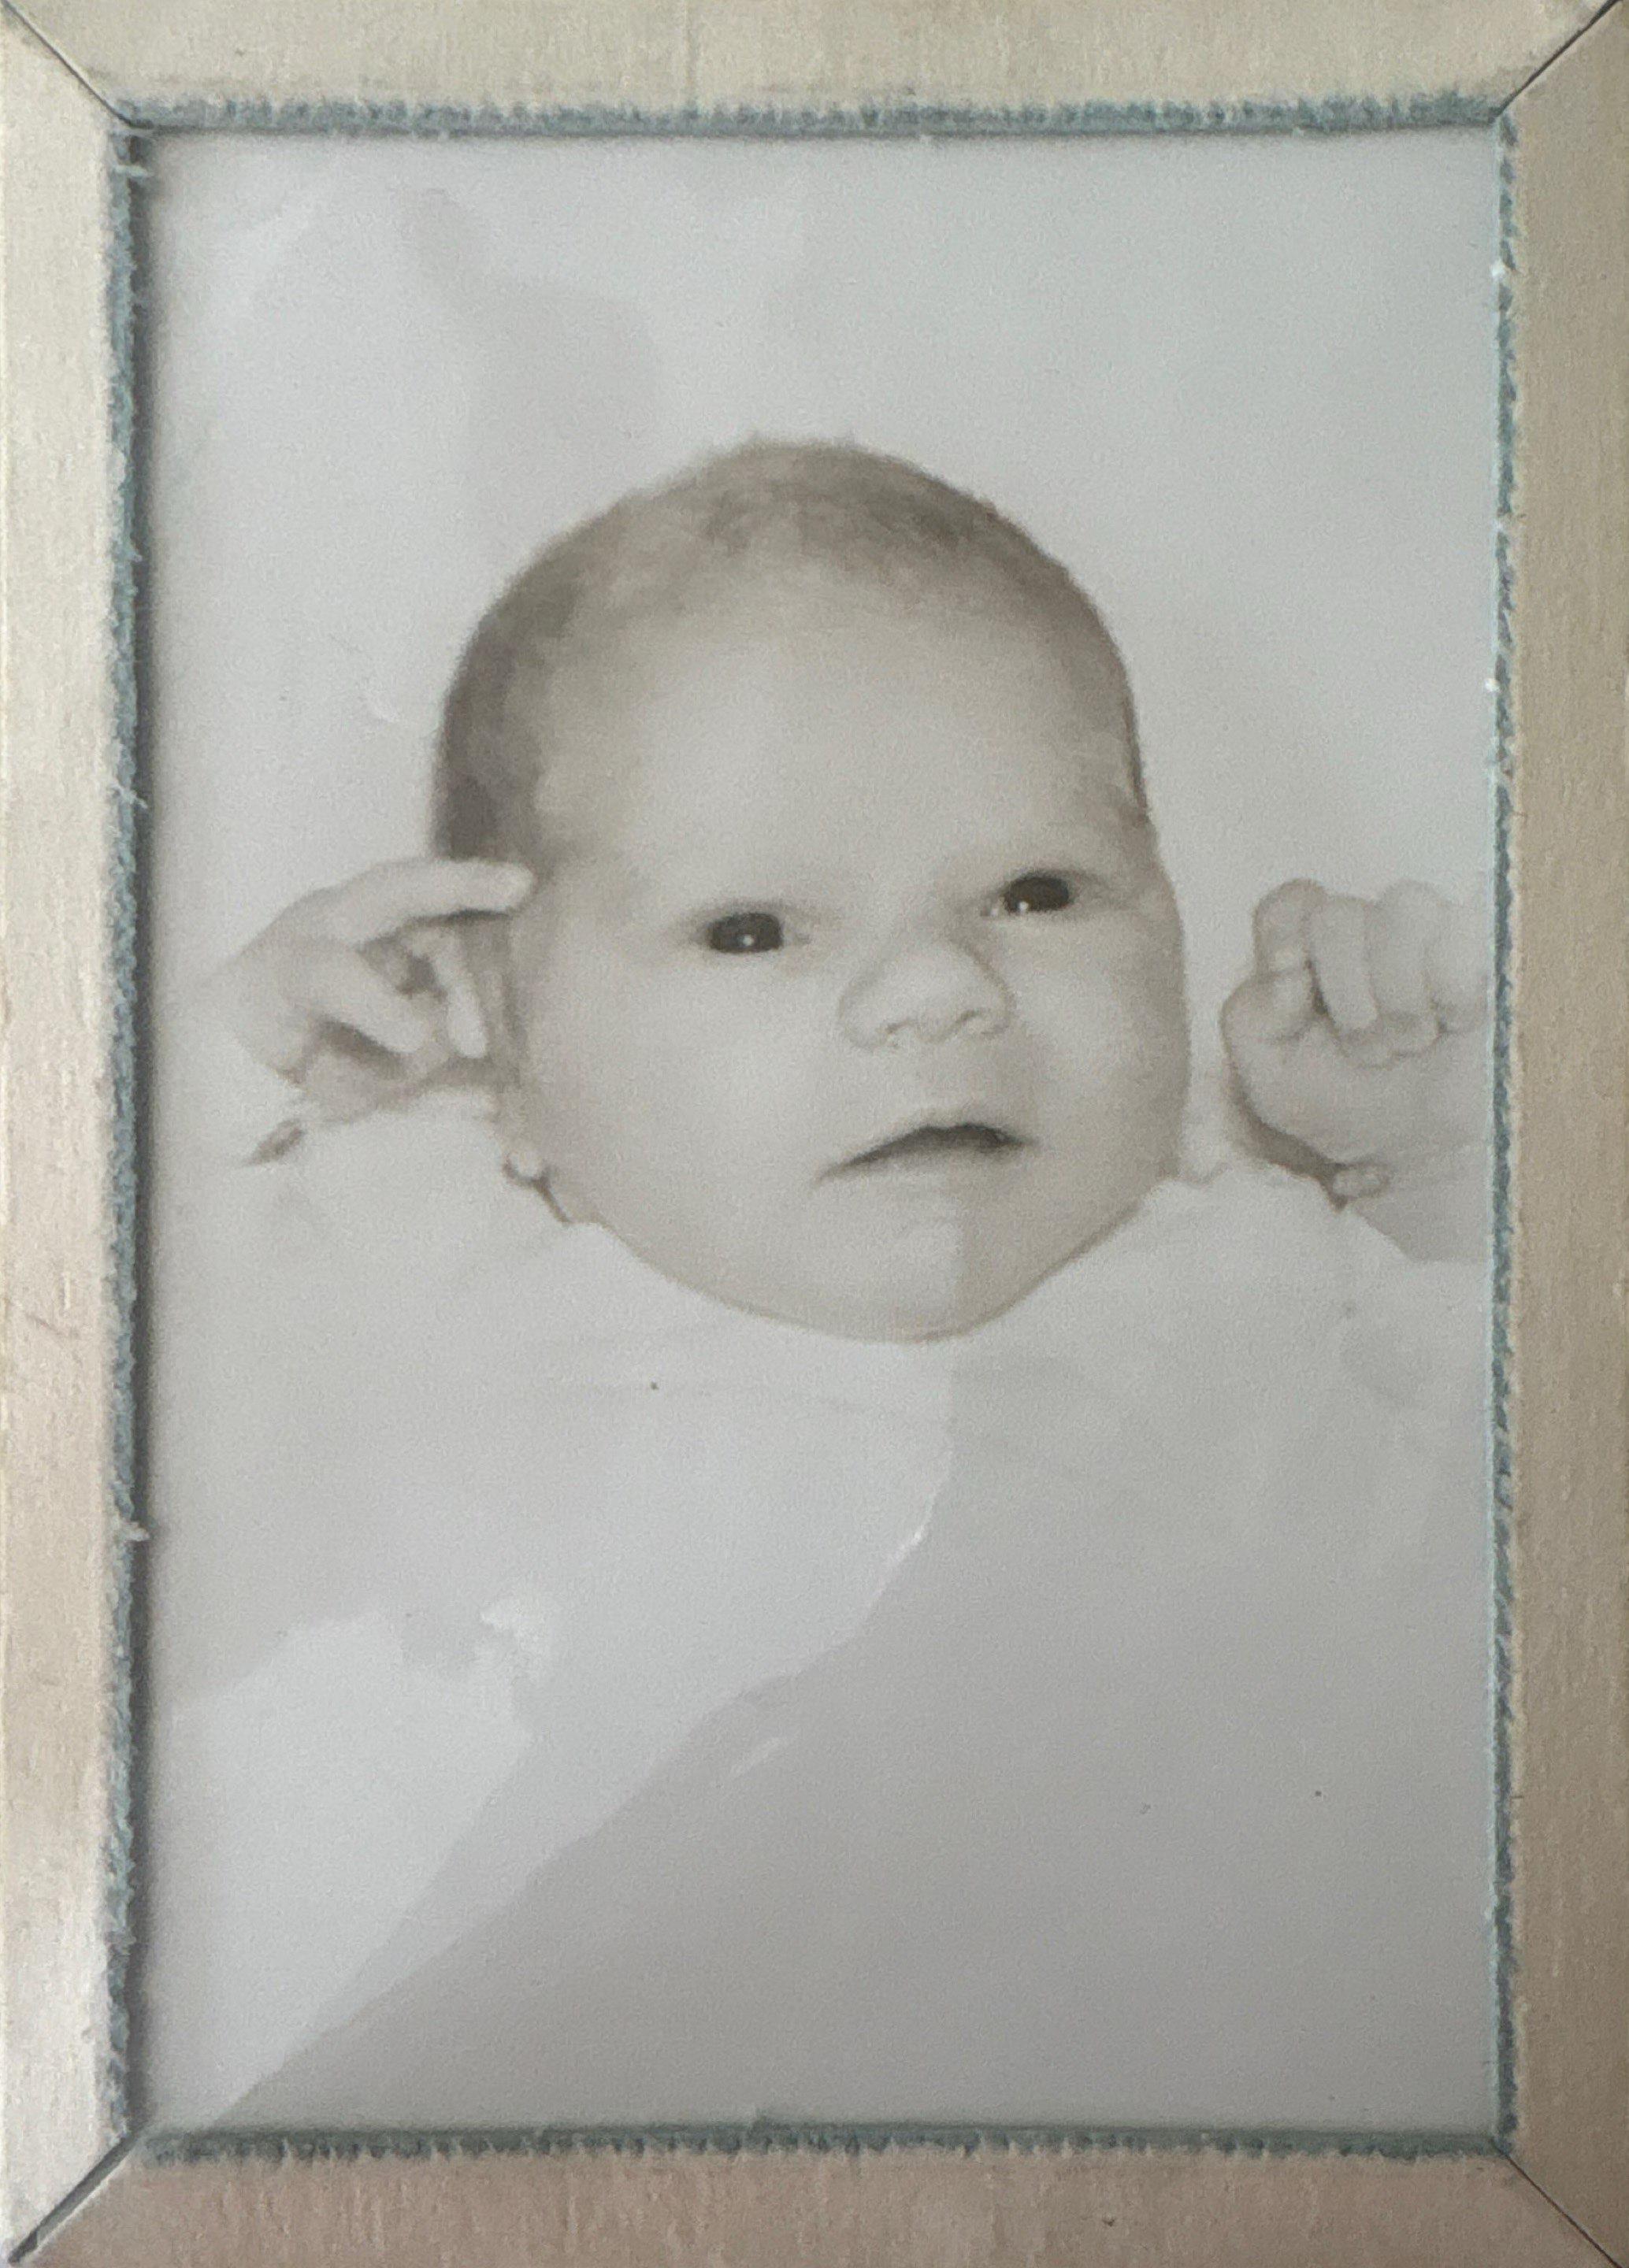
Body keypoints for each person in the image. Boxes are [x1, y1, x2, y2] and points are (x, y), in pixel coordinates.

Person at [146, 442, 1493, 2131]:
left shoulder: (1261, 1268)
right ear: (492, 1024)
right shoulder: (414, 1257)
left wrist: (1433, 1175)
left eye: (1037, 891)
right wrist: (214, 1076)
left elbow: (1502, 1555)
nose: (937, 987)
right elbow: (77, 1410)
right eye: (750, 931)